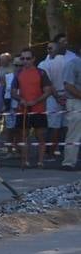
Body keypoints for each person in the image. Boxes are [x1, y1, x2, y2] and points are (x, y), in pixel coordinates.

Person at [12, 49, 53, 167]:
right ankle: (25, 161)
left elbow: (48, 91)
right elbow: (13, 92)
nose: (25, 61)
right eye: (23, 58)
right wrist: (21, 100)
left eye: (28, 58)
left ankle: (40, 161)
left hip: (38, 109)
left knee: (41, 135)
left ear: (33, 59)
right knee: (23, 136)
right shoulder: (18, 73)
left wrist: (35, 101)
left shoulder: (41, 72)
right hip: (23, 109)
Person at [41, 35, 76, 163]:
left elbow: (50, 83)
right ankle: (55, 151)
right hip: (61, 96)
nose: (49, 50)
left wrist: (58, 97)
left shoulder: (68, 61)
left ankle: (54, 152)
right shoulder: (45, 62)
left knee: (58, 126)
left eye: (51, 48)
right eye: (48, 48)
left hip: (58, 96)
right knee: (60, 126)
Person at [60, 51, 81, 171]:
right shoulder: (73, 64)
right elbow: (68, 85)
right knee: (74, 133)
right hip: (75, 103)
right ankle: (69, 162)